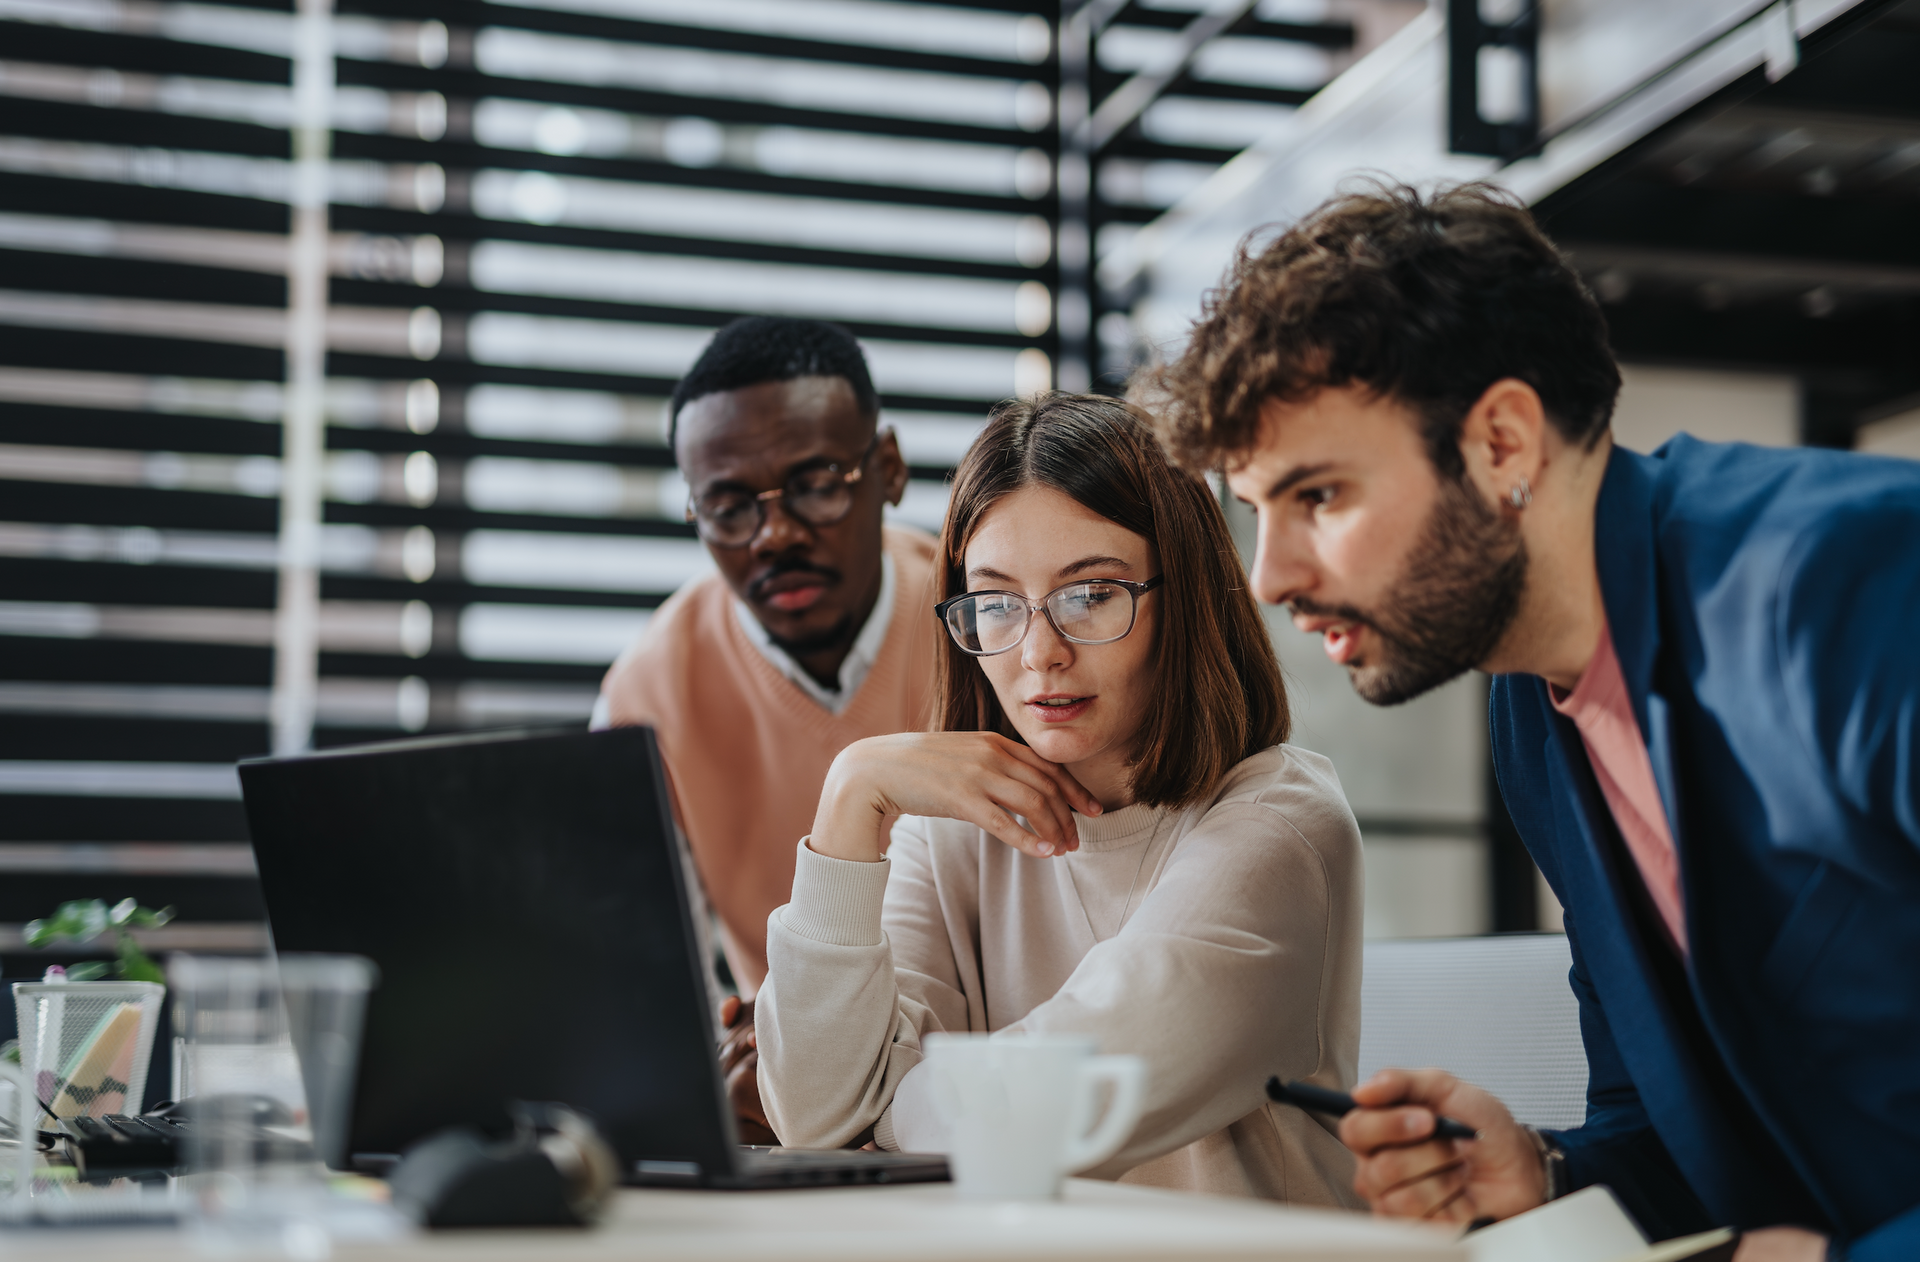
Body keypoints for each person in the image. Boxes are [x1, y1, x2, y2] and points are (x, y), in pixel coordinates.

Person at [1147, 182, 1920, 1260]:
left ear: (1504, 442)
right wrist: (1548, 1177)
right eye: (1254, 510)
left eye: (1318, 495)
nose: (1269, 576)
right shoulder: (1535, 712)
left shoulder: (1845, 582)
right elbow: (1673, 1134)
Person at [753, 392, 1365, 1203]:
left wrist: (879, 1116)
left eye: (1091, 594)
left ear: (1182, 598)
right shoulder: (952, 835)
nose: (1040, 653)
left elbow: (1046, 1107)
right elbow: (811, 1117)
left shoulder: (1278, 830)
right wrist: (850, 793)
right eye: (997, 603)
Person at [594, 316, 942, 1142]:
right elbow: (634, 993)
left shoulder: (1000, 630)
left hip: (985, 1083)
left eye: (818, 483)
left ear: (886, 469)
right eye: (727, 507)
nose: (774, 535)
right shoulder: (646, 695)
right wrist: (740, 1048)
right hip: (798, 1112)